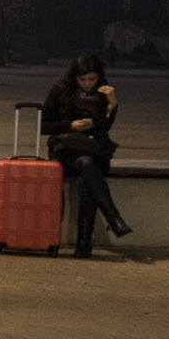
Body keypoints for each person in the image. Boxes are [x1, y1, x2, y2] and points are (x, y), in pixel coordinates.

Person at [42, 55, 132, 257]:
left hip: (91, 150)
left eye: (92, 79)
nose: (87, 84)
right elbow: (44, 125)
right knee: (87, 164)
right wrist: (69, 125)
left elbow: (104, 128)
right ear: (74, 77)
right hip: (65, 152)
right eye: (82, 80)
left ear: (99, 77)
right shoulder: (60, 91)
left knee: (87, 178)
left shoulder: (103, 94)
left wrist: (112, 106)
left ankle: (84, 246)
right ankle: (112, 220)